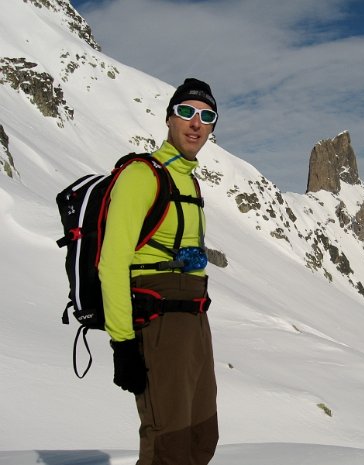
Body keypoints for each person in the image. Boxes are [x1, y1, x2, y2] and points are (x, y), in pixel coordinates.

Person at [98, 78, 219, 465]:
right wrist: (123, 343)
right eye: (186, 112)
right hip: (158, 319)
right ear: (169, 118)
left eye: (206, 116)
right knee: (168, 445)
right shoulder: (142, 175)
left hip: (195, 319)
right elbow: (112, 261)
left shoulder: (191, 182)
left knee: (201, 438)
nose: (195, 123)